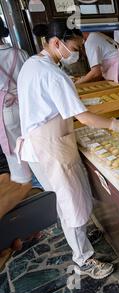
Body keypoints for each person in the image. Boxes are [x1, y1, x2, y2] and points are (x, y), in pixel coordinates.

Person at [16, 21, 119, 279]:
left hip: (43, 144)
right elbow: (84, 117)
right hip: (51, 148)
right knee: (70, 202)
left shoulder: (33, 64)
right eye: (74, 47)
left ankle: (81, 240)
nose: (77, 53)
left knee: (69, 199)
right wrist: (116, 125)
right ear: (56, 43)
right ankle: (83, 259)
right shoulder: (53, 74)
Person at [0, 17, 32, 185]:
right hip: (27, 104)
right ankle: (40, 175)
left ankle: (24, 181)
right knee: (32, 140)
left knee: (14, 149)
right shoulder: (19, 53)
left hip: (5, 110)